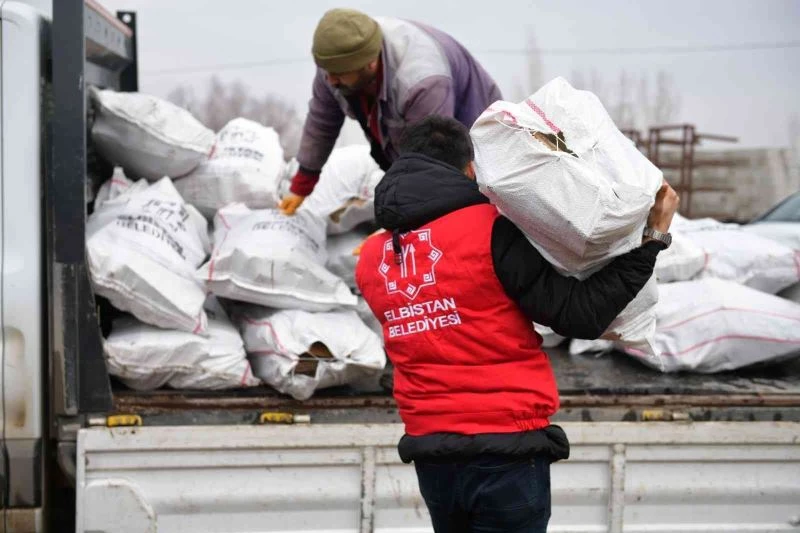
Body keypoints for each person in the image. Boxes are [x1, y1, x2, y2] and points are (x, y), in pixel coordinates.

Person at [354, 116, 679, 532]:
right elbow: (579, 314)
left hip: (431, 454)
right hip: (505, 450)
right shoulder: (489, 230)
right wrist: (651, 239)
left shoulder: (372, 257)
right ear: (469, 169)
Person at [279, 8, 502, 215]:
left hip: (475, 135)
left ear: (370, 64)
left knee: (471, 210)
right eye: (326, 72)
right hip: (423, 144)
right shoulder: (336, 64)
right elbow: (322, 123)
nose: (330, 80)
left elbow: (432, 165)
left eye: (338, 74)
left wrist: (404, 222)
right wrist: (302, 185)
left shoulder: (420, 81)